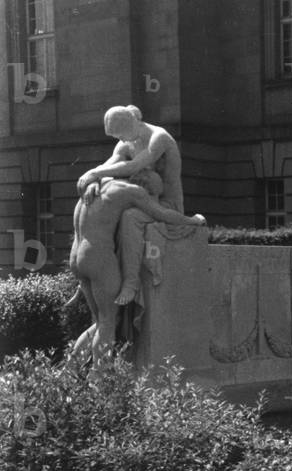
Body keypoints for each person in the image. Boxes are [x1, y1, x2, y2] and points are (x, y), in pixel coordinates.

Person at [70, 169, 204, 363]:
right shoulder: (133, 192)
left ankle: (69, 371)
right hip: (98, 256)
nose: (158, 195)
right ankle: (98, 382)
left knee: (101, 321)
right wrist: (192, 220)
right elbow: (163, 214)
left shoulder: (96, 188)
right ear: (148, 187)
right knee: (108, 322)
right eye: (157, 191)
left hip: (77, 257)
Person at [76, 105, 183, 306]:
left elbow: (133, 166)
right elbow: (108, 166)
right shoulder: (127, 142)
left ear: (132, 123)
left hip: (167, 205)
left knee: (130, 217)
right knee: (110, 206)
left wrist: (95, 174)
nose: (121, 141)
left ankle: (131, 284)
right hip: (144, 199)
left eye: (121, 135)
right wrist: (93, 181)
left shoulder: (158, 138)